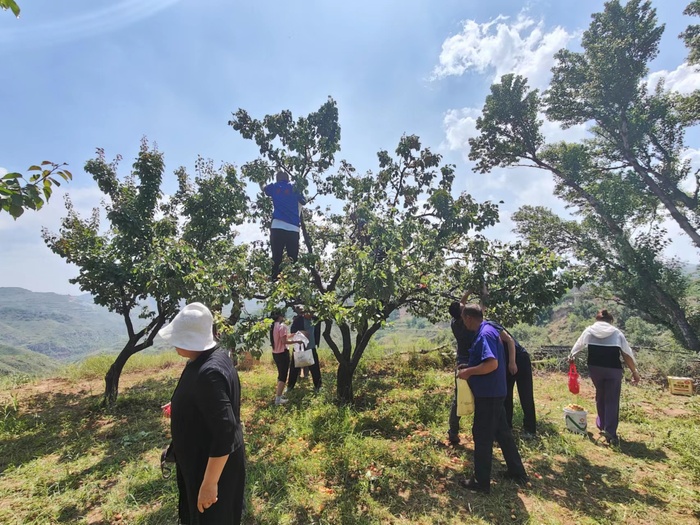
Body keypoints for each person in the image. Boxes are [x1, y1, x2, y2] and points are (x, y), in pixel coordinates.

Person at [158, 302, 245, 525]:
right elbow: (212, 402)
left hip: (209, 468)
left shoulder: (209, 374)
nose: (174, 344)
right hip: (203, 461)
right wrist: (181, 404)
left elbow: (226, 431)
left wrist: (209, 484)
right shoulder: (210, 358)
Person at [457, 304, 528, 494]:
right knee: (503, 433)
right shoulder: (490, 328)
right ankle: (517, 472)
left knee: (482, 435)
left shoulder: (484, 335)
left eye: (464, 320)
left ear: (469, 318)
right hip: (496, 391)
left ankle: (481, 482)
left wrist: (468, 372)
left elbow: (492, 364)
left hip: (488, 395)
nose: (464, 324)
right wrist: (469, 366)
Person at [569, 309, 640, 445]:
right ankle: (610, 432)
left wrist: (571, 356)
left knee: (600, 395)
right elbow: (626, 354)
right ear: (610, 321)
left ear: (597, 320)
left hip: (595, 369)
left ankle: (602, 425)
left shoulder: (589, 330)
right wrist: (634, 371)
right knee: (612, 399)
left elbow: (579, 345)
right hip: (613, 370)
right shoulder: (616, 333)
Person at [486, 320, 537, 437]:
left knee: (525, 395)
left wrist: (512, 362)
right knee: (506, 395)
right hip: (505, 363)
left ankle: (530, 429)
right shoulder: (477, 332)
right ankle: (507, 427)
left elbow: (509, 340)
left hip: (519, 359)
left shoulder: (490, 325)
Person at [263, 170, 307, 279]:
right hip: (293, 228)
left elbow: (264, 189)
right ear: (288, 179)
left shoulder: (274, 186)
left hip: (277, 226)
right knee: (293, 259)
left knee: (276, 258)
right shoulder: (294, 187)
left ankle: (274, 281)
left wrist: (262, 181)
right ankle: (293, 283)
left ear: (277, 179)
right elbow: (304, 201)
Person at [288, 305, 322, 393]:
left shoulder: (315, 320)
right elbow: (292, 331)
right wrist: (301, 333)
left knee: (315, 368)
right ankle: (290, 387)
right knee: (294, 368)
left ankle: (318, 386)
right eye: (309, 313)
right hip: (300, 348)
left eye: (312, 313)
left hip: (311, 347)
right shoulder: (298, 320)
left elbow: (317, 331)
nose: (311, 314)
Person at [270, 310, 297, 406]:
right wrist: (297, 341)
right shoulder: (282, 326)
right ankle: (278, 399)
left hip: (275, 353)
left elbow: (282, 338)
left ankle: (279, 394)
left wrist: (292, 335)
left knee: (280, 374)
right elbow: (284, 342)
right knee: (283, 376)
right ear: (281, 316)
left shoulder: (272, 326)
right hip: (283, 353)